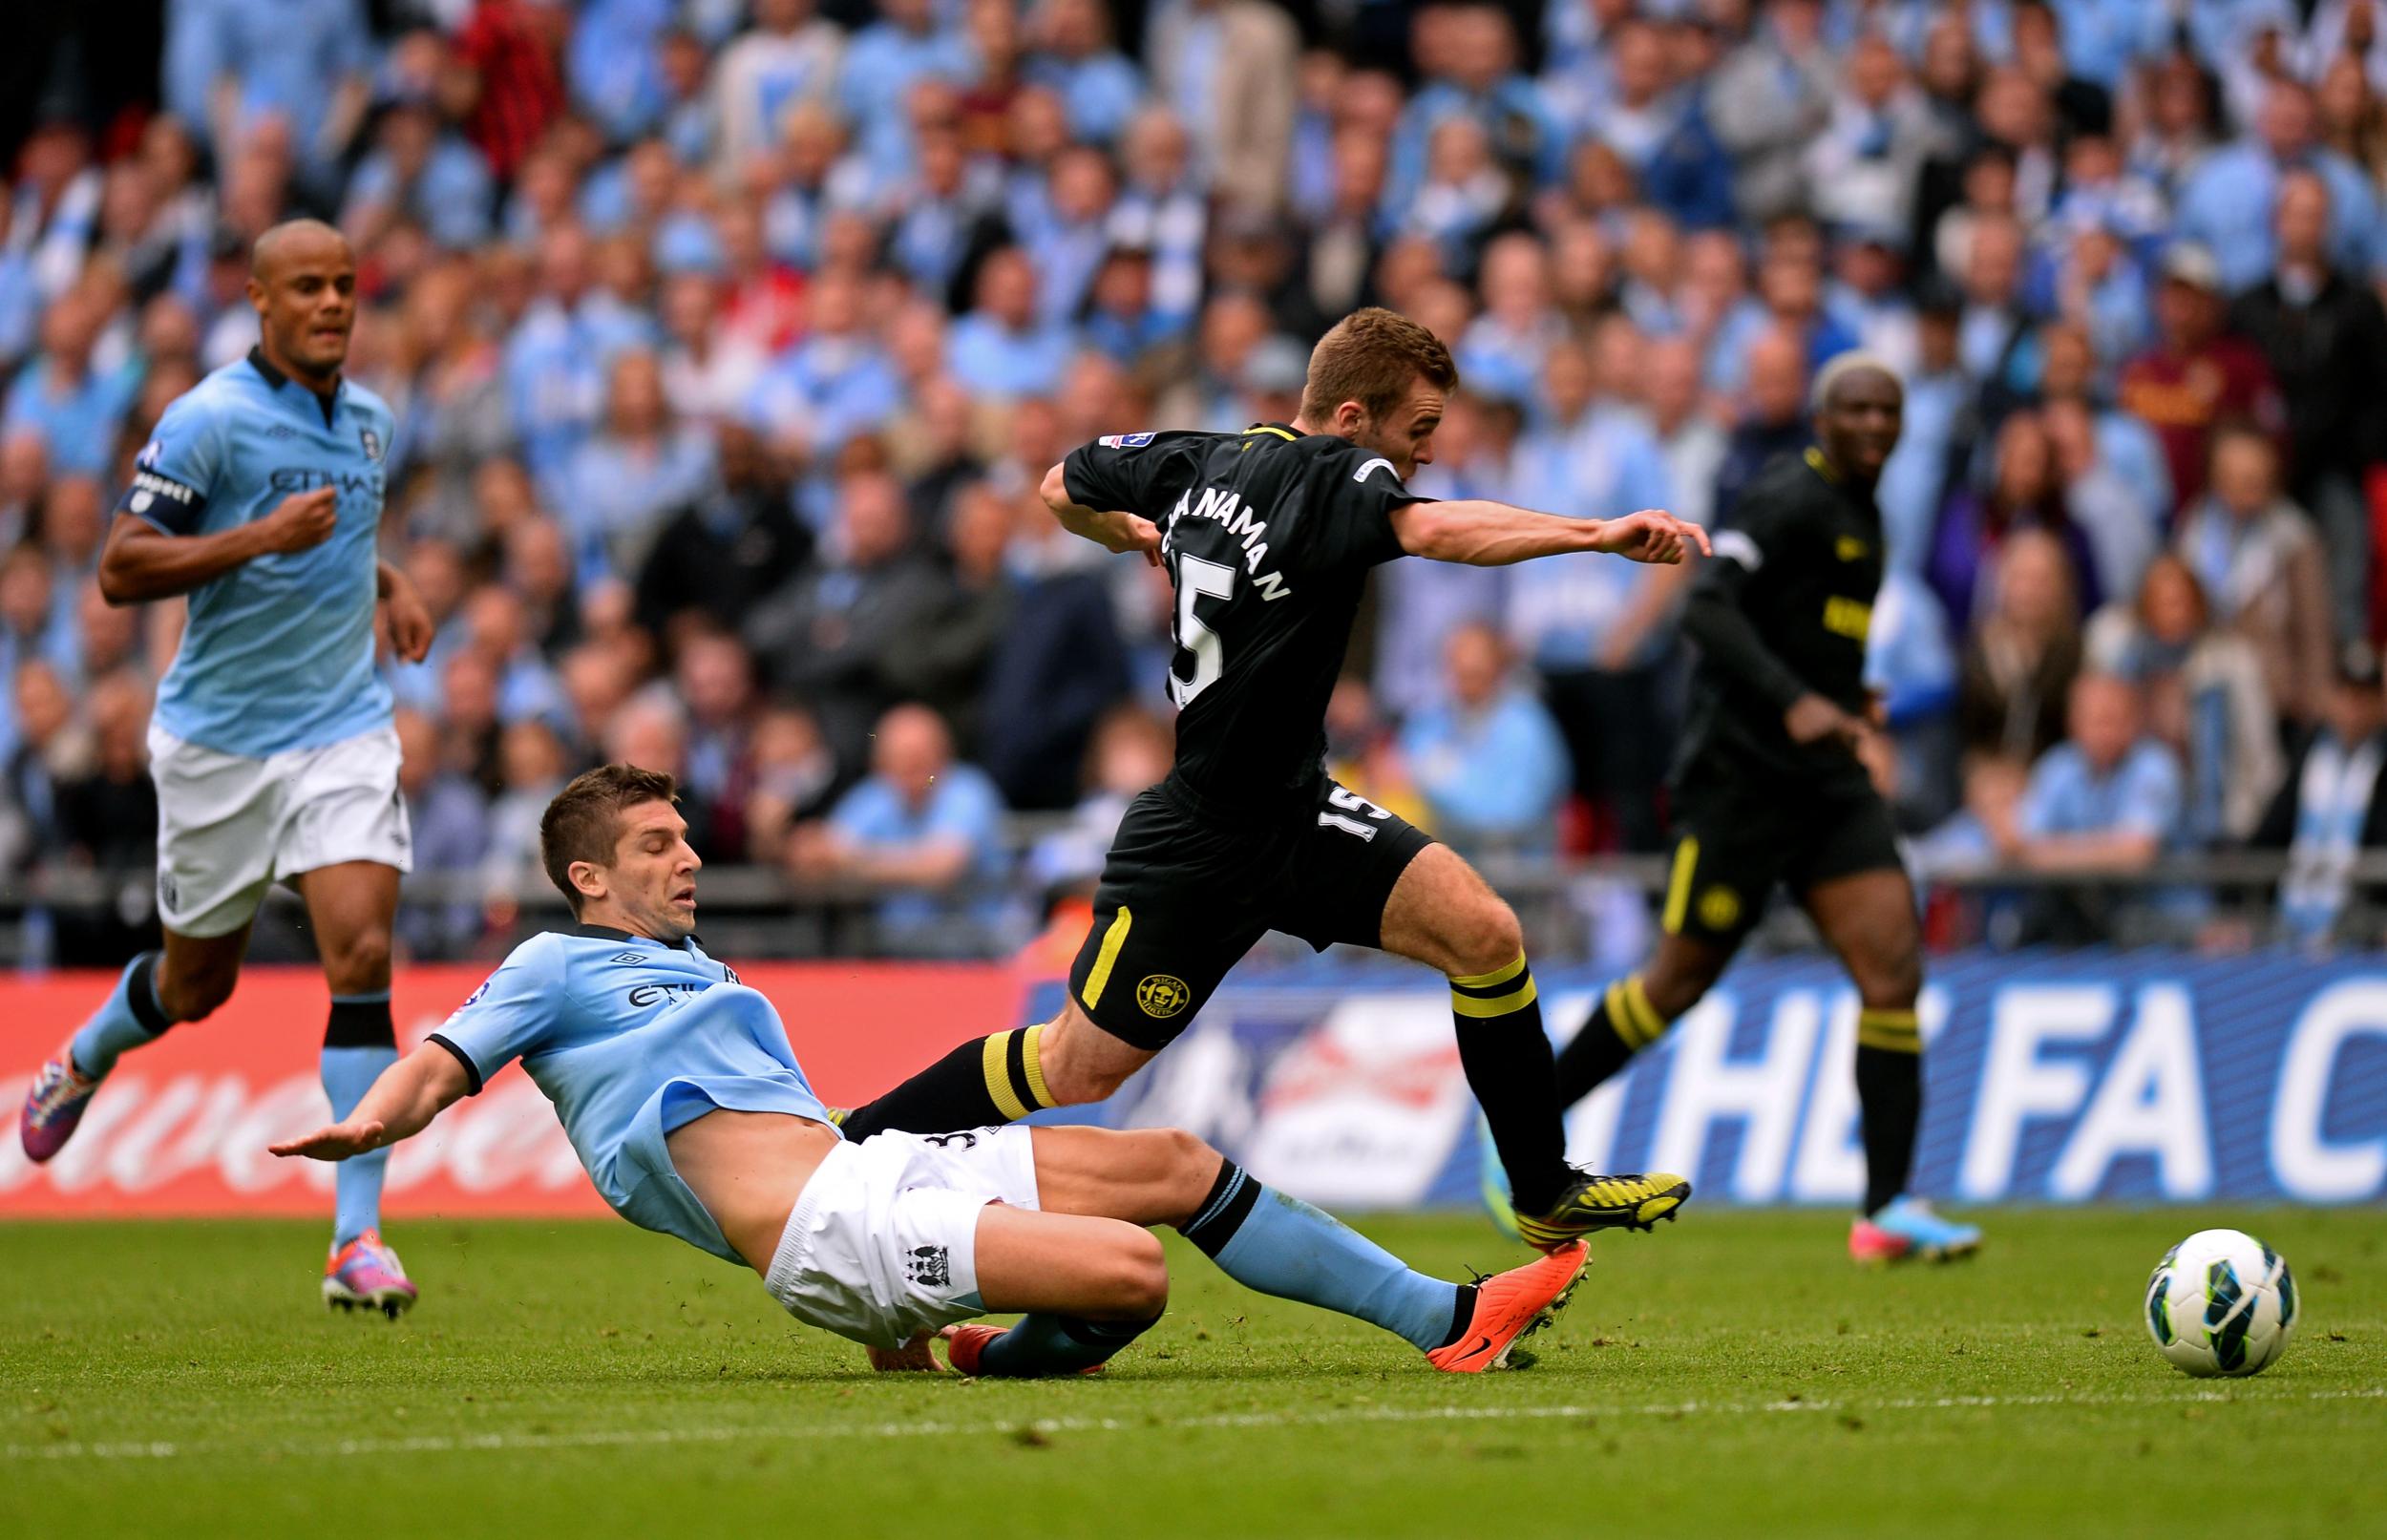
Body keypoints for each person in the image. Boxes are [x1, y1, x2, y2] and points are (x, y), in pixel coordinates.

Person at [837, 306, 1707, 1253]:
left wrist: (1118, 532)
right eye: (1415, 433)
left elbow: (1056, 481)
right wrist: (1593, 533)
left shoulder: (1194, 457)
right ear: (1350, 416)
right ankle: (848, 1146)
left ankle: (1542, 1186)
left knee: (1486, 932)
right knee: (1078, 1064)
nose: (1419, 458)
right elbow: (1441, 531)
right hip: (1200, 837)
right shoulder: (1338, 472)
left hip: (1292, 810)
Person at [270, 765, 1588, 1375]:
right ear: (587, 876)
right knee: (1129, 1276)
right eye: (658, 844)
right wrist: (367, 1125)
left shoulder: (710, 972)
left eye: (686, 837)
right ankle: (959, 1354)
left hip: (865, 1172)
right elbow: (441, 1062)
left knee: (1174, 1166)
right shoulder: (556, 966)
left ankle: (1448, 1316)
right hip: (826, 1232)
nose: (690, 857)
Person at [17, 221, 436, 1313]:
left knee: (363, 947)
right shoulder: (207, 419)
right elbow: (119, 568)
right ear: (258, 298)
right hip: (218, 745)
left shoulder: (374, 420)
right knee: (196, 985)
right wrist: (258, 540)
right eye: (308, 286)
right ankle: (85, 1054)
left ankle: (356, 1237)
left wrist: (385, 581)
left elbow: (339, 530)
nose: (333, 303)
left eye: (346, 285)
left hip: (343, 725)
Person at [1544, 353, 1982, 1267]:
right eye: (1854, 406)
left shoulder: (1867, 515)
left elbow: (1802, 632)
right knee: (1675, 983)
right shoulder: (1785, 496)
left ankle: (1888, 1207)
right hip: (1739, 782)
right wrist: (1793, 698)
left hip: (1826, 784)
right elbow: (1707, 606)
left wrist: (1846, 695)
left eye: (1887, 408)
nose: (1871, 422)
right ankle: (1526, 1132)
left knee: (1893, 967)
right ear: (1824, 418)